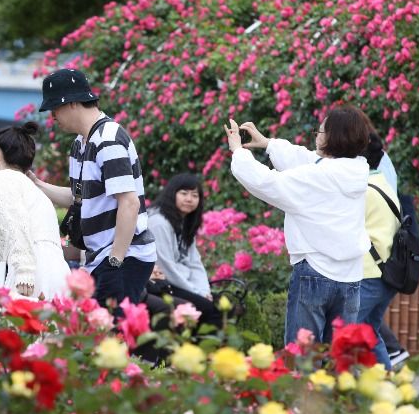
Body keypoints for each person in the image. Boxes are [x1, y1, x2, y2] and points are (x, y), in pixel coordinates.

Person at [225, 104, 370, 347]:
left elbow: (267, 182)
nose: (317, 137)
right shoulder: (357, 170)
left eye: (321, 132)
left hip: (314, 271)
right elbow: (310, 161)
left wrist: (238, 152)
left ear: (333, 138)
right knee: (342, 358)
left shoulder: (316, 177)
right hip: (351, 277)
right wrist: (269, 144)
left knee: (302, 359)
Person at [30, 68, 156, 311]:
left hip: (123, 257)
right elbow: (79, 199)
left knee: (111, 338)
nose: (53, 116)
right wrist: (36, 184)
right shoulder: (81, 142)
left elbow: (129, 203)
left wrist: (115, 260)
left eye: (54, 108)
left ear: (73, 103)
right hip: (101, 259)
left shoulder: (107, 139)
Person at [0, 122, 70, 299]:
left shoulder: (1, 179)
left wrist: (24, 271)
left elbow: (15, 224)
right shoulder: (34, 190)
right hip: (58, 273)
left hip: (32, 273)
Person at [147, 173, 220, 328]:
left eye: (195, 195)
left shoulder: (184, 223)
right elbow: (167, 268)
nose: (189, 199)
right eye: (184, 193)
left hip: (178, 282)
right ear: (171, 194)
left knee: (219, 303)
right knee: (207, 309)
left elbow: (195, 263)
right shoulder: (159, 222)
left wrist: (203, 291)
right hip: (158, 282)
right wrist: (197, 293)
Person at [356, 130, 401, 369]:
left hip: (369, 274)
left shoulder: (363, 190)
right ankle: (387, 388)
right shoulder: (382, 182)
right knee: (369, 333)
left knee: (346, 333)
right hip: (385, 274)